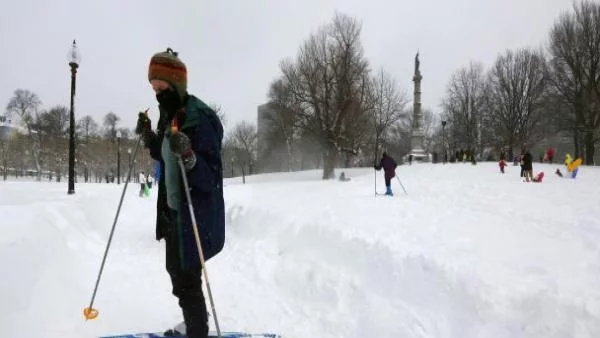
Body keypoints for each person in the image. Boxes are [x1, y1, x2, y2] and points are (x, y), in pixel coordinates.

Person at [135, 48, 225, 338]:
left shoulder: (200, 118)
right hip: (174, 211)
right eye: (153, 86)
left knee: (186, 280)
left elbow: (210, 178)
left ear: (175, 83)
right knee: (179, 276)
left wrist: (189, 155)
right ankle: (194, 319)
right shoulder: (168, 114)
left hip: (195, 213)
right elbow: (164, 154)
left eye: (160, 85)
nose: (156, 91)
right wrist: (149, 135)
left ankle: (197, 329)